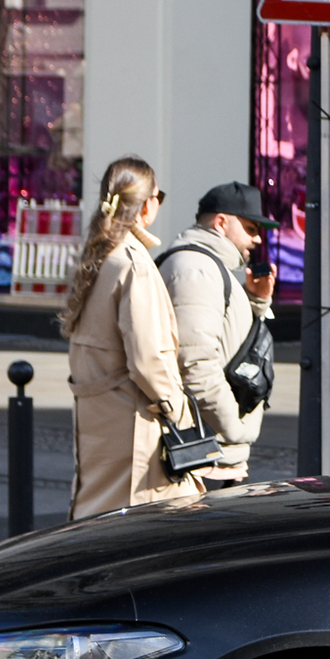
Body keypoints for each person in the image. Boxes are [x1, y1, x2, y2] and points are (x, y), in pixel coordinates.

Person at [60, 157, 199, 517]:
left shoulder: (101, 254)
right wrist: (180, 412)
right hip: (133, 424)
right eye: (159, 196)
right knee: (143, 529)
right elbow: (149, 359)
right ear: (147, 203)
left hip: (100, 421)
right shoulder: (133, 264)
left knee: (96, 514)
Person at [157, 180, 277, 489]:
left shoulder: (210, 267)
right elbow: (195, 363)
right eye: (251, 228)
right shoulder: (197, 269)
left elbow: (227, 340)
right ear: (221, 222)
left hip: (216, 450)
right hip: (205, 452)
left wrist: (255, 300)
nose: (257, 239)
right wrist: (233, 428)